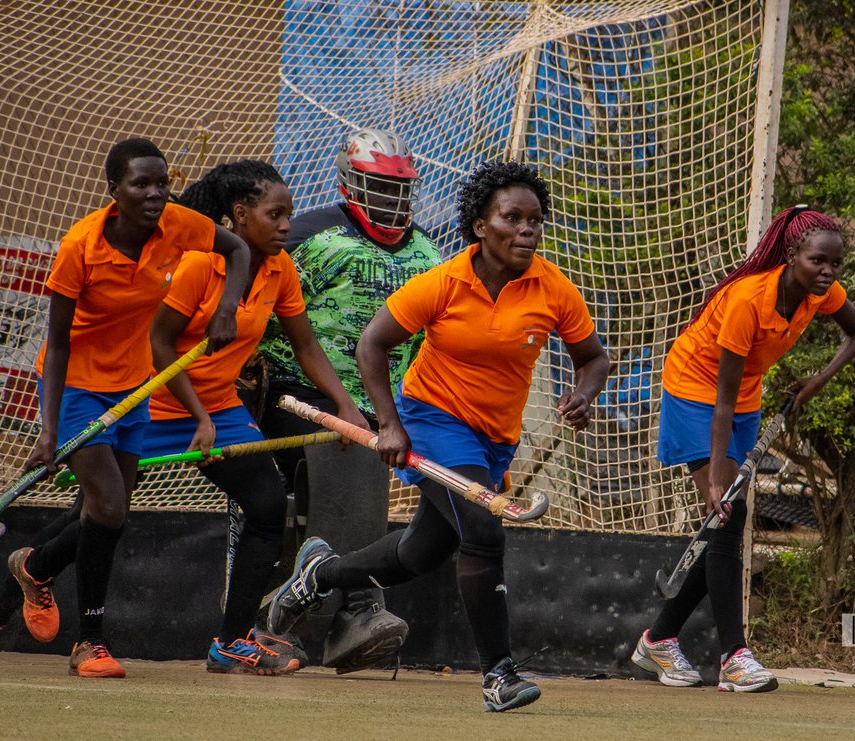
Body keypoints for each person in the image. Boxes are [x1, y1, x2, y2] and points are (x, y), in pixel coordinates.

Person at [266, 160, 611, 711]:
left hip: (494, 440)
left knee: (422, 552)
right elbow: (371, 346)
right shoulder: (443, 282)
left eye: (535, 221)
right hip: (431, 421)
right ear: (480, 225)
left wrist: (584, 394)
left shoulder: (552, 288)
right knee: (483, 532)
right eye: (513, 218)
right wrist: (390, 423)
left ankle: (320, 573)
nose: (528, 230)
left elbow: (593, 359)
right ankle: (499, 675)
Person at [0, 137, 250, 678]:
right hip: (79, 386)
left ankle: (32, 568)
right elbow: (57, 346)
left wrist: (226, 308)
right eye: (140, 184)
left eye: (161, 183)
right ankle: (90, 643)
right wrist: (47, 432)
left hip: (134, 387)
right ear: (113, 191)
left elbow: (239, 251)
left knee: (105, 516)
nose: (155, 194)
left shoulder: (179, 224)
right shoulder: (79, 247)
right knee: (108, 507)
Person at [630, 204, 855, 693]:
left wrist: (814, 382)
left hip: (745, 399)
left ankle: (659, 638)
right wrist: (717, 476)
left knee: (726, 523)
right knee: (728, 516)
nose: (827, 272)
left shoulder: (820, 294)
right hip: (695, 393)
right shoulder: (747, 301)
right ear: (791, 254)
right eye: (817, 262)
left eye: (835, 264)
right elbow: (720, 395)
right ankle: (735, 657)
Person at [146, 160, 369, 674]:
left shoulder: (279, 268)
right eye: (276, 214)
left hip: (216, 407)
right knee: (99, 513)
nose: (287, 225)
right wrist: (197, 414)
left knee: (267, 506)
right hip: (157, 402)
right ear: (240, 215)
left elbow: (306, 345)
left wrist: (346, 406)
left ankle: (231, 640)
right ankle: (18, 587)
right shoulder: (201, 265)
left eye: (289, 214)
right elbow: (159, 344)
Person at [241, 128, 440, 672]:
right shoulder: (310, 235)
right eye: (381, 187)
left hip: (378, 407)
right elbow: (260, 310)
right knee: (327, 480)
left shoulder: (427, 252)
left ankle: (344, 615)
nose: (392, 200)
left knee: (356, 489)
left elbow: (430, 340)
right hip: (293, 393)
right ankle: (337, 611)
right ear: (351, 183)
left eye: (401, 190)